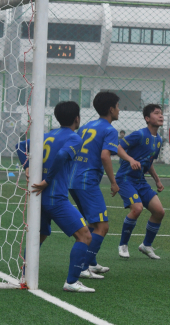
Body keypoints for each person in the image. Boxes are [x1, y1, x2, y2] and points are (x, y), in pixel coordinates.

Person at [16, 101, 93, 292]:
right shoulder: (75, 138)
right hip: (55, 198)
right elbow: (60, 156)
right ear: (77, 118)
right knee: (84, 236)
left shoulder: (46, 135)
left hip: (37, 198)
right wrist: (48, 180)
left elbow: (19, 146)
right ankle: (72, 282)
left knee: (39, 236)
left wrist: (27, 167)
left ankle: (25, 274)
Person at [68, 91, 121, 280]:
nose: (119, 110)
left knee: (92, 223)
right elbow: (105, 156)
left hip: (73, 180)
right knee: (102, 226)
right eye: (117, 106)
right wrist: (114, 183)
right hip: (87, 182)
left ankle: (90, 262)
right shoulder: (110, 130)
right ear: (111, 109)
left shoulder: (86, 127)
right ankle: (82, 267)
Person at [116, 104, 166, 260]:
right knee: (137, 208)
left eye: (161, 113)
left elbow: (148, 162)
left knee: (159, 212)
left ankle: (146, 245)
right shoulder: (138, 135)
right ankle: (123, 245)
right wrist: (130, 159)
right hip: (125, 178)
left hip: (140, 180)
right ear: (147, 118)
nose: (161, 116)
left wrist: (157, 180)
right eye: (156, 113)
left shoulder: (158, 140)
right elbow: (118, 147)